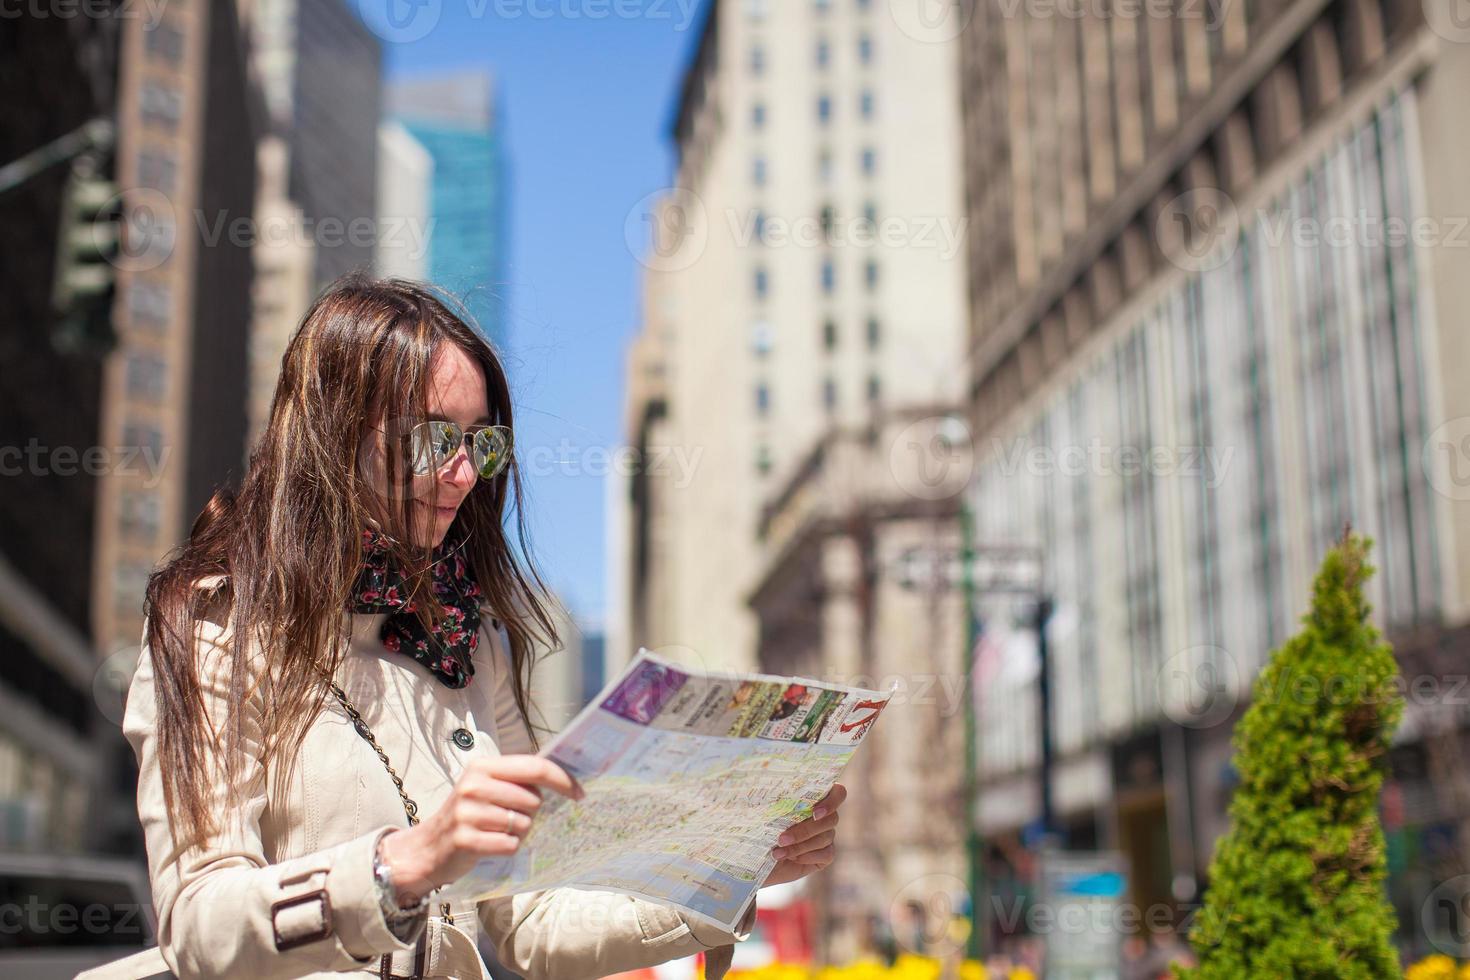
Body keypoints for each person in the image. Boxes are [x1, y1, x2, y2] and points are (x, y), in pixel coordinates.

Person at [98, 276, 846, 979]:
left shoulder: (470, 637)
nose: (463, 475)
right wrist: (404, 864)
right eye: (430, 440)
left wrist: (730, 866)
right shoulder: (218, 624)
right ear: (331, 438)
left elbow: (533, 918)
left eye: (480, 445)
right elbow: (199, 924)